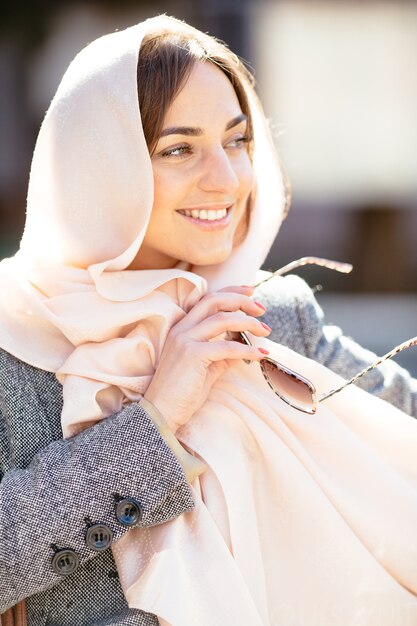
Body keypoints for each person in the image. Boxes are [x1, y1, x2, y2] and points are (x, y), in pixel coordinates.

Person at [1, 14, 417, 626]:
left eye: (237, 140)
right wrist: (154, 421)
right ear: (99, 166)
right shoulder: (15, 342)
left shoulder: (267, 315)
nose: (225, 178)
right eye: (178, 149)